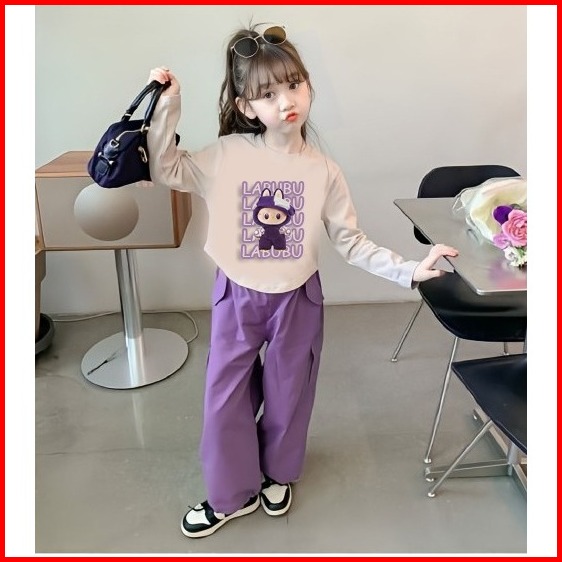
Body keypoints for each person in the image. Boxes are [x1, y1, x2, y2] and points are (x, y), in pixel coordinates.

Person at [146, 23, 458, 539]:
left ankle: (277, 473)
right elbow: (165, 169)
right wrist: (168, 105)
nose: (286, 101)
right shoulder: (226, 154)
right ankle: (231, 495)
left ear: (309, 85)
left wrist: (409, 270)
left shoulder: (324, 172)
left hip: (298, 299)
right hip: (237, 296)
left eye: (293, 85)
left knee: (290, 395)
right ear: (246, 107)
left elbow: (351, 242)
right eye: (267, 94)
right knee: (224, 400)